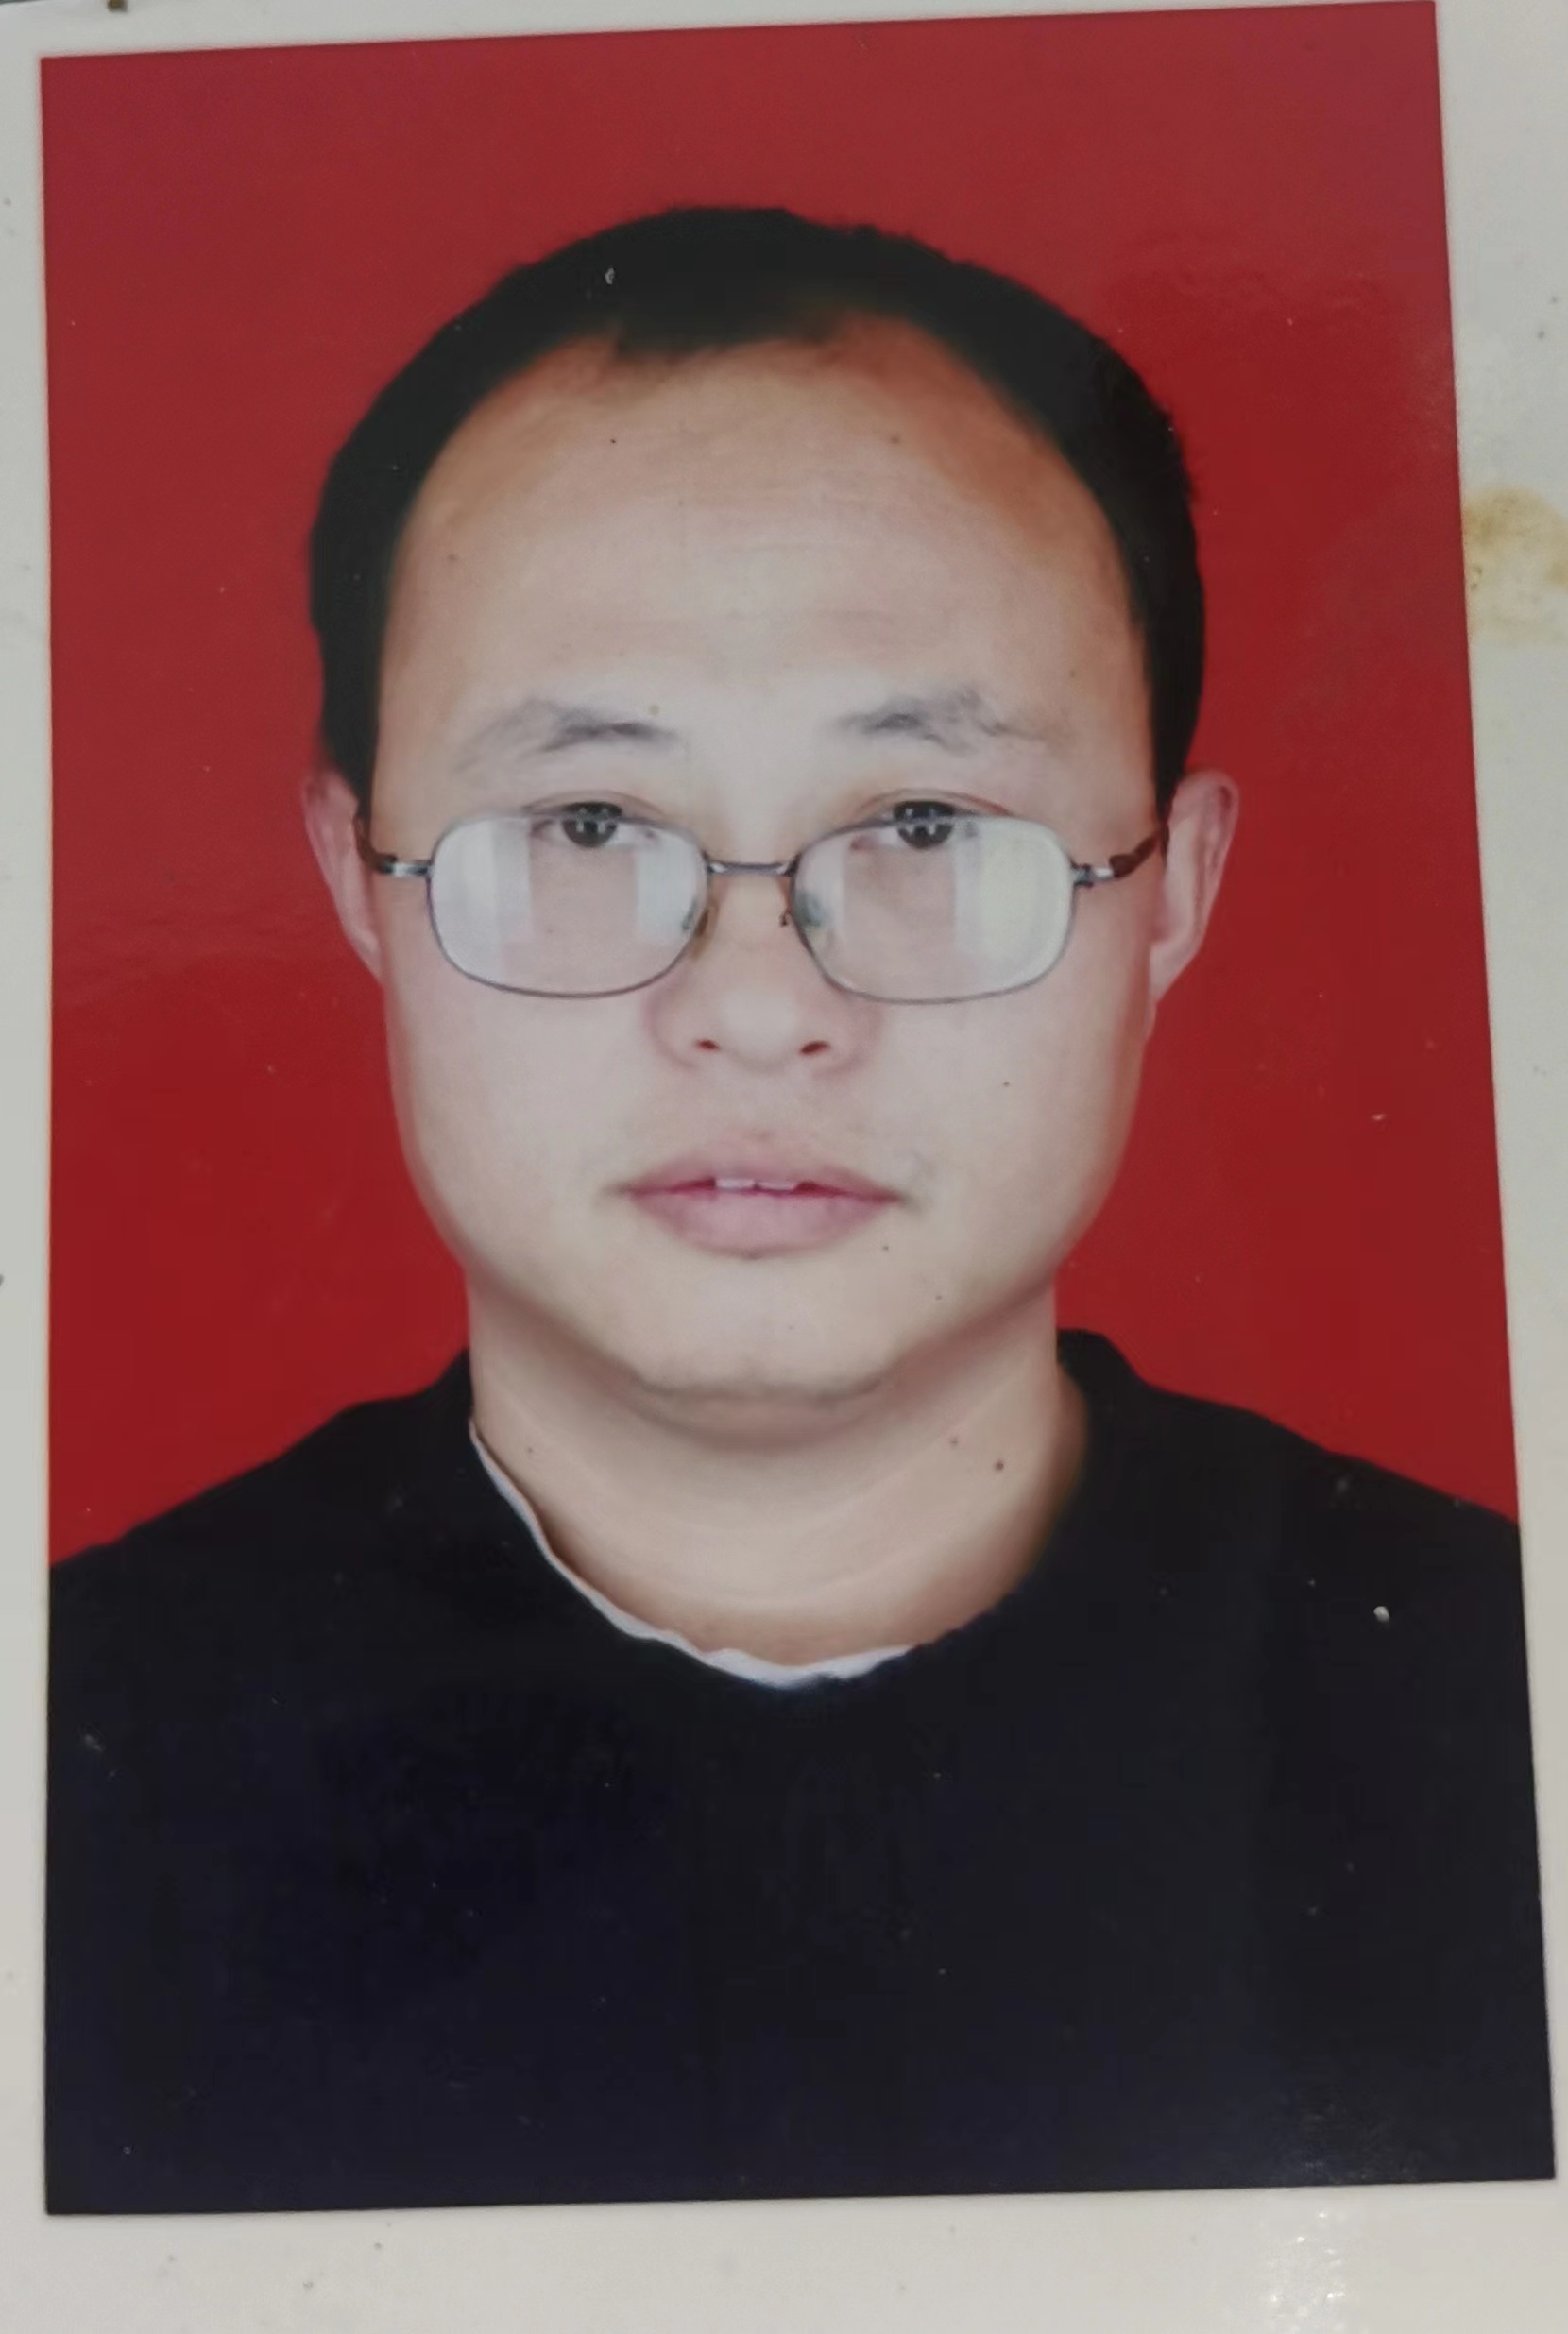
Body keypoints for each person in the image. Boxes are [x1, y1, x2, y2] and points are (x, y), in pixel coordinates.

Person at [46, 207, 1551, 2215]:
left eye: (922, 822)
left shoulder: (1503, 1714)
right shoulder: (65, 1756)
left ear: (1169, 894)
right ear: (360, 879)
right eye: (587, 822)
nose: (757, 1007)